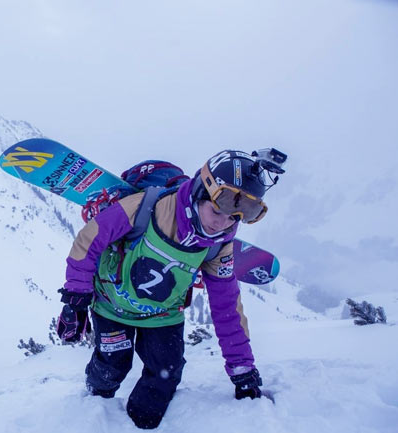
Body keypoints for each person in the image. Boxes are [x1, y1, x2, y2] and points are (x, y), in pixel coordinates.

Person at [56, 149, 285, 429]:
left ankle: (142, 426)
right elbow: (89, 239)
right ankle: (94, 410)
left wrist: (242, 368)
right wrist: (75, 299)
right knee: (111, 367)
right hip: (111, 304)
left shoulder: (218, 246)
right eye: (216, 211)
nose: (221, 224)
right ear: (202, 192)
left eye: (233, 219)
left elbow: (227, 306)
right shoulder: (144, 208)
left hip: (163, 315)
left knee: (167, 373)